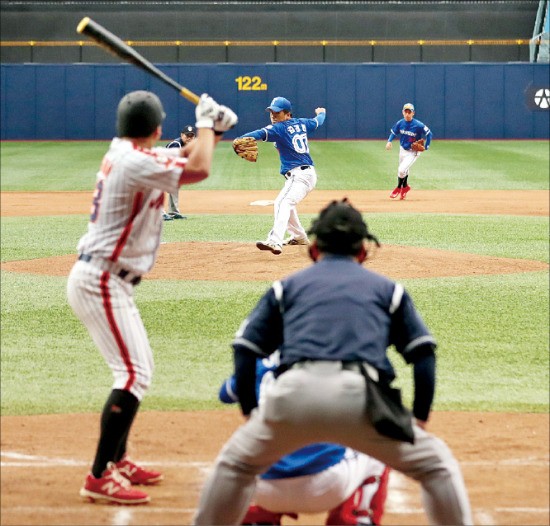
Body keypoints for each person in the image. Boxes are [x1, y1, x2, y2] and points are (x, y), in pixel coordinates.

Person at [194, 198, 472, 525]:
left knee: (236, 467)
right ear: (364, 251)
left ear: (314, 249)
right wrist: (420, 418)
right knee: (437, 467)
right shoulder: (388, 290)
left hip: (291, 396)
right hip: (360, 399)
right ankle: (358, 516)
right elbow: (423, 354)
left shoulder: (285, 288)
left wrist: (252, 414)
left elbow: (245, 349)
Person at [67, 90, 237, 505]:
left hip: (108, 278)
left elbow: (186, 153)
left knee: (136, 370)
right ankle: (99, 475)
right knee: (133, 375)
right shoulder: (134, 162)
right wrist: (207, 124)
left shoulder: (127, 152)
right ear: (157, 127)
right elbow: (197, 169)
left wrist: (214, 131)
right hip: (101, 279)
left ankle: (118, 459)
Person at [219, 351, 390, 525]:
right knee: (380, 439)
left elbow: (225, 394)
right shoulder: (341, 358)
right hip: (326, 487)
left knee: (251, 437)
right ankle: (356, 518)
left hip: (263, 490)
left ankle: (260, 518)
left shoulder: (261, 362)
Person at [234, 96, 326, 255]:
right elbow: (318, 121)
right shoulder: (302, 123)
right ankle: (299, 236)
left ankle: (274, 241)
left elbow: (258, 133)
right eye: (271, 112)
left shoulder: (279, 128)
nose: (273, 115)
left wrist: (239, 139)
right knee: (286, 203)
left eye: (277, 112)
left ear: (287, 114)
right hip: (306, 174)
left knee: (282, 203)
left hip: (300, 175)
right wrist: (322, 112)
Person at [385, 102, 432, 200]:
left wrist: (427, 146)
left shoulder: (418, 125)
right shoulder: (400, 123)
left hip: (413, 151)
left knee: (401, 170)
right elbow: (393, 132)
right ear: (402, 112)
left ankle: (398, 188)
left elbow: (429, 133)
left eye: (409, 112)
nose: (407, 114)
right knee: (404, 170)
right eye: (405, 112)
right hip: (403, 149)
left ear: (413, 113)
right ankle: (405, 188)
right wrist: (389, 141)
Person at [162, 124, 196, 220]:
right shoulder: (176, 145)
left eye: (191, 136)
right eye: (187, 136)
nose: (189, 138)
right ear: (182, 135)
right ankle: (159, 213)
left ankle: (173, 212)